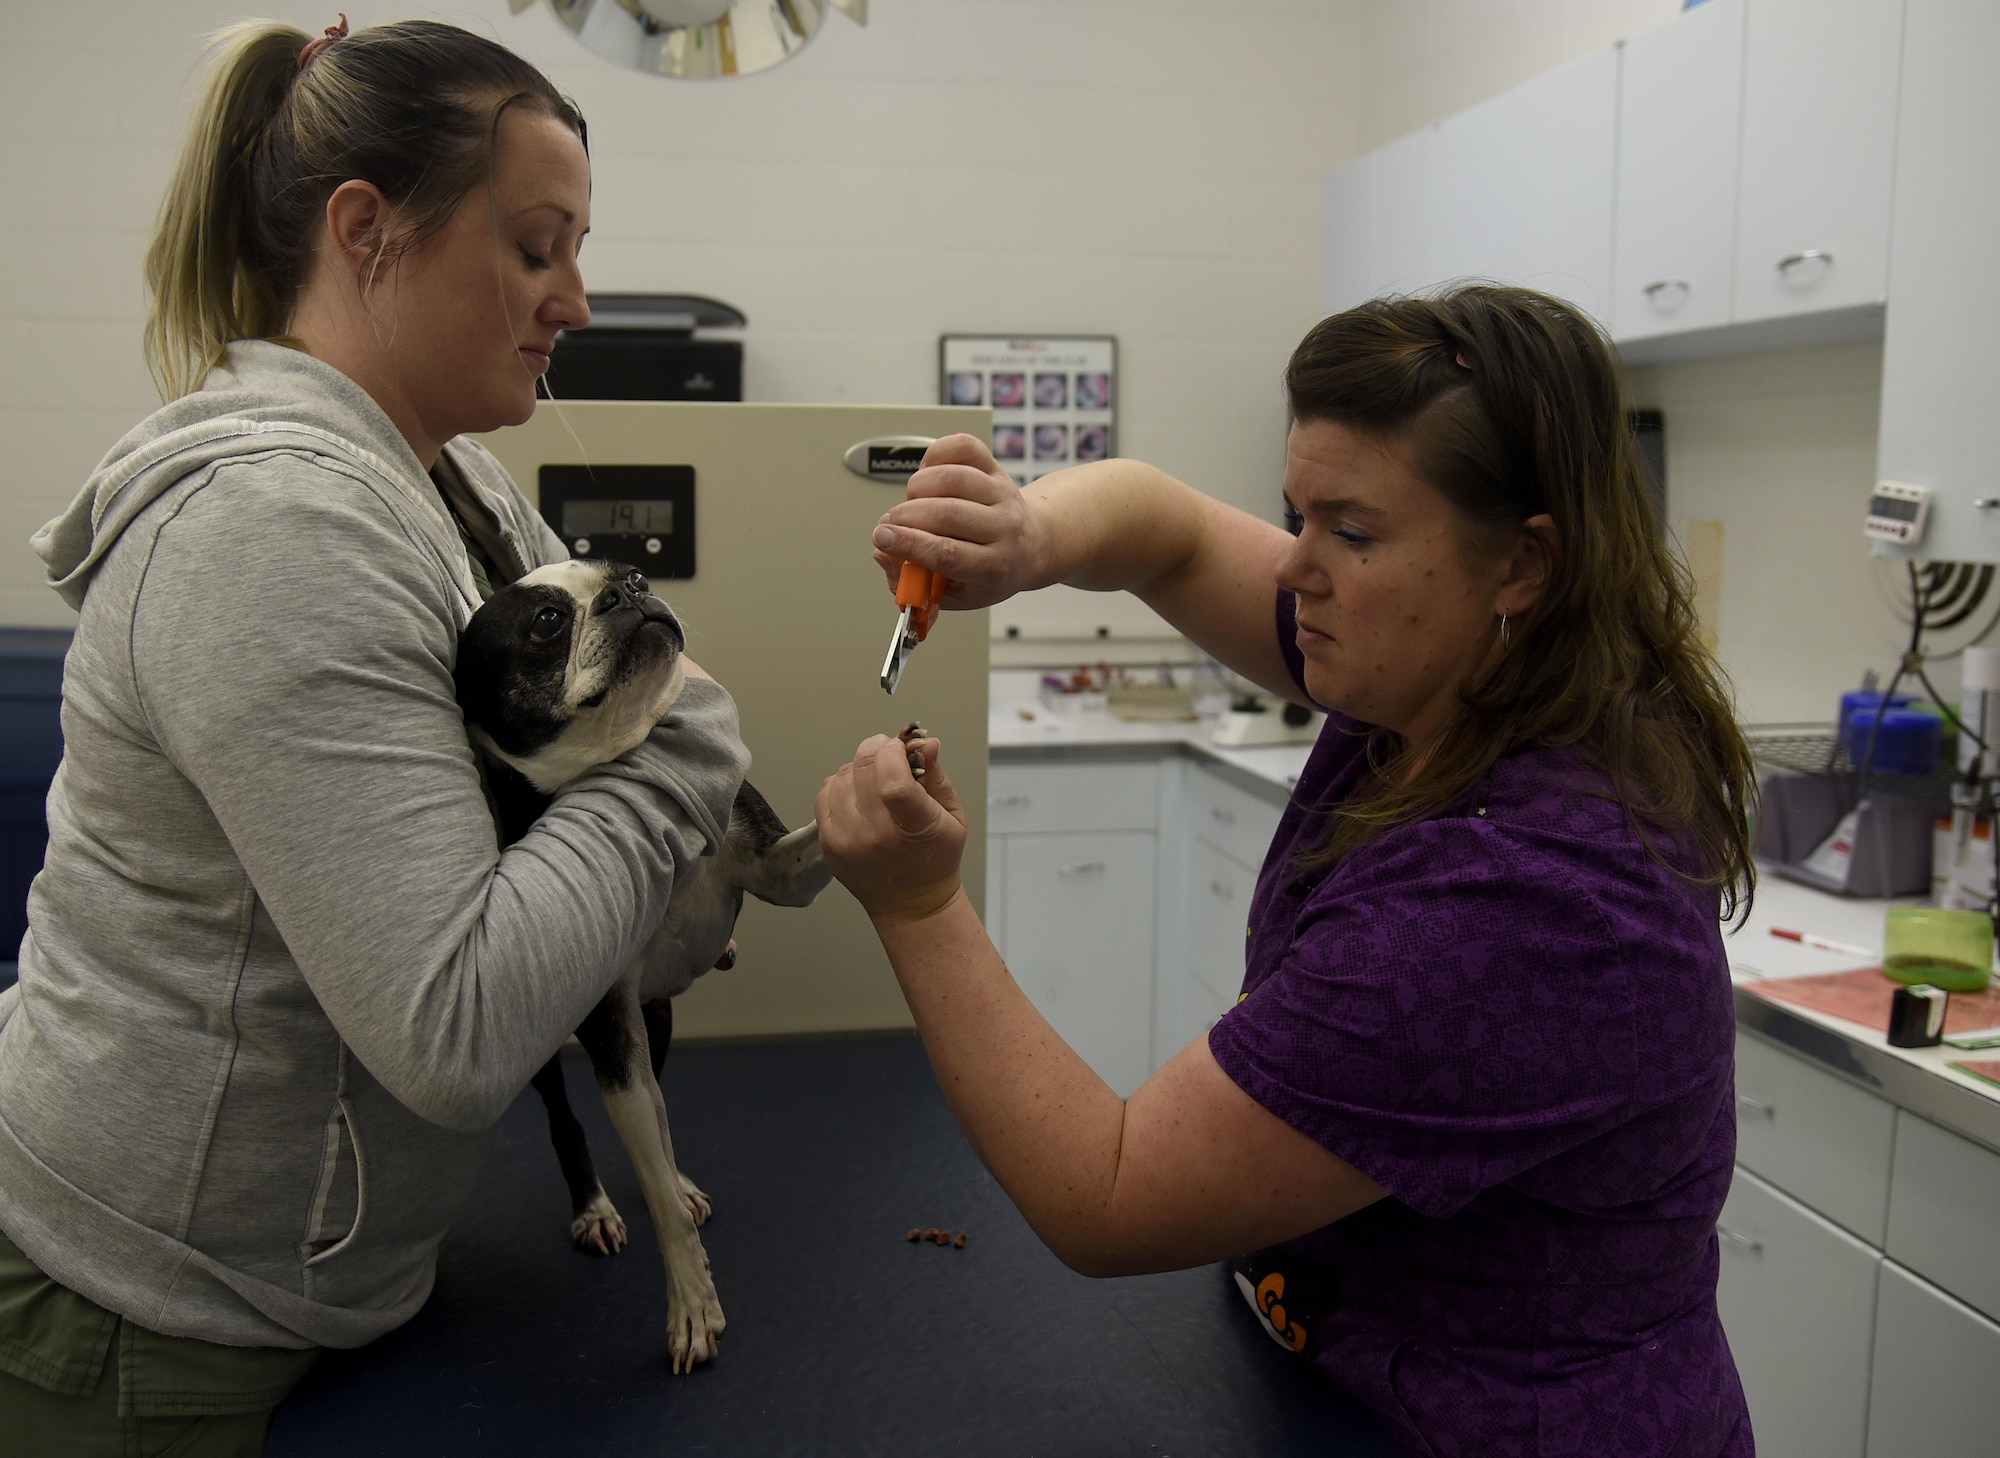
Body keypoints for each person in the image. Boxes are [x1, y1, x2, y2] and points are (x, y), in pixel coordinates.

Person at [819, 285, 1758, 1457]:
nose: (1296, 570)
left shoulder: (1517, 903)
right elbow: (1165, 523)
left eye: (1350, 532)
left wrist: (916, 904)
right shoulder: (1447, 677)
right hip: (1342, 1380)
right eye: (1296, 516)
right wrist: (1029, 535)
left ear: (1523, 563)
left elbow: (1106, 1193)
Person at [0, 17, 747, 1452]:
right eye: (537, 247)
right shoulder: (272, 531)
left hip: (324, 1275)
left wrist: (660, 738)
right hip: (143, 1314)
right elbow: (462, 1023)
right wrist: (691, 750)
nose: (576, 299)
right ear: (368, 232)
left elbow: (637, 699)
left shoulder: (455, 481)